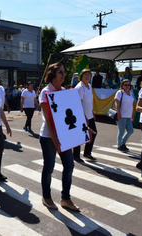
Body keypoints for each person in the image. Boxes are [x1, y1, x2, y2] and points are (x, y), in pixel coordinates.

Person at [39, 62, 80, 211]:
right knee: (49, 167)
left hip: (64, 136)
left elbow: (72, 113)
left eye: (64, 72)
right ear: (52, 74)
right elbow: (48, 119)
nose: (64, 75)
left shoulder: (64, 91)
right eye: (60, 72)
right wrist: (54, 138)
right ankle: (46, 196)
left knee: (69, 165)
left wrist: (83, 128)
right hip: (48, 137)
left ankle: (65, 198)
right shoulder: (45, 92)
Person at [73, 69, 98, 162]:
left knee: (94, 132)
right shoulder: (80, 87)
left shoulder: (89, 86)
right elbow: (78, 104)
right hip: (81, 116)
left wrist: (92, 112)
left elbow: (89, 102)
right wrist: (83, 117)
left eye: (89, 75)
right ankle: (75, 155)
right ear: (81, 76)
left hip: (89, 114)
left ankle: (87, 152)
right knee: (79, 135)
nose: (87, 76)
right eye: (85, 75)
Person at [115, 79, 135, 152]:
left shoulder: (130, 93)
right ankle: (120, 145)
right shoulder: (120, 92)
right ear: (122, 86)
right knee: (121, 131)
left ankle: (122, 143)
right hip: (122, 115)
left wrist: (132, 113)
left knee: (130, 131)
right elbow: (117, 103)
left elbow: (131, 105)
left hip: (128, 115)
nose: (127, 86)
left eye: (128, 85)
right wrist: (119, 113)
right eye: (125, 85)